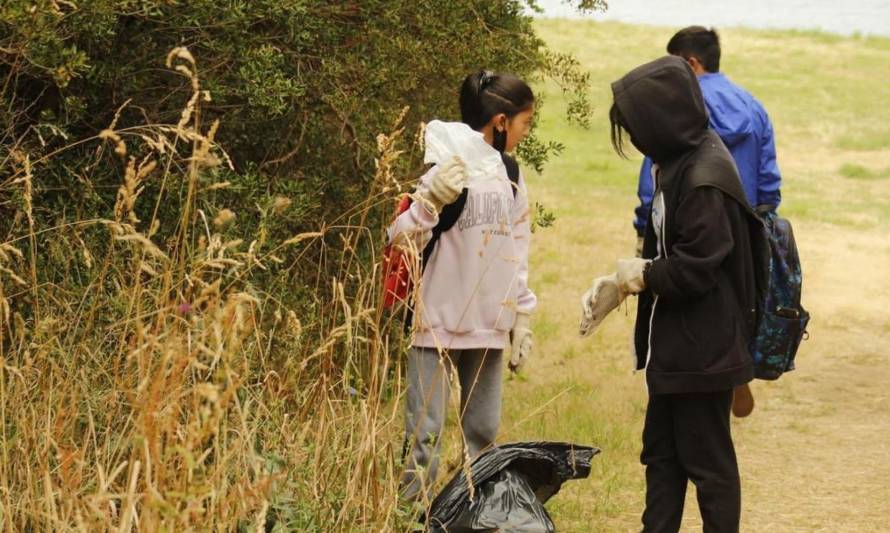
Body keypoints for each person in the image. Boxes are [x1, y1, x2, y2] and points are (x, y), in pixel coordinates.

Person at [589, 55, 762, 532]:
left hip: (702, 349)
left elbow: (695, 270)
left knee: (709, 467)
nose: (637, 141)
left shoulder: (704, 175)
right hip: (678, 344)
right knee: (662, 457)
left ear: (661, 120)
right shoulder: (678, 161)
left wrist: (639, 277)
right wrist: (628, 279)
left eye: (637, 128)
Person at [390, 70, 537, 502]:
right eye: (525, 123)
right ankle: (410, 517)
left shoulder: (510, 172)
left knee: (484, 432)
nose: (526, 134)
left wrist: (522, 316)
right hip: (435, 319)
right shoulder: (447, 165)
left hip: (489, 322)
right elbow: (399, 237)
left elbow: (518, 246)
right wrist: (431, 200)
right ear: (500, 121)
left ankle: (475, 514)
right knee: (425, 435)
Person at [633, 26, 781, 417]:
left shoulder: (681, 111)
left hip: (690, 225)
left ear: (691, 63)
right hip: (745, 228)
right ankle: (734, 372)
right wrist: (763, 219)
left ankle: (699, 388)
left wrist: (643, 224)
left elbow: (657, 173)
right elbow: (768, 179)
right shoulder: (754, 106)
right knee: (734, 306)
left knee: (689, 305)